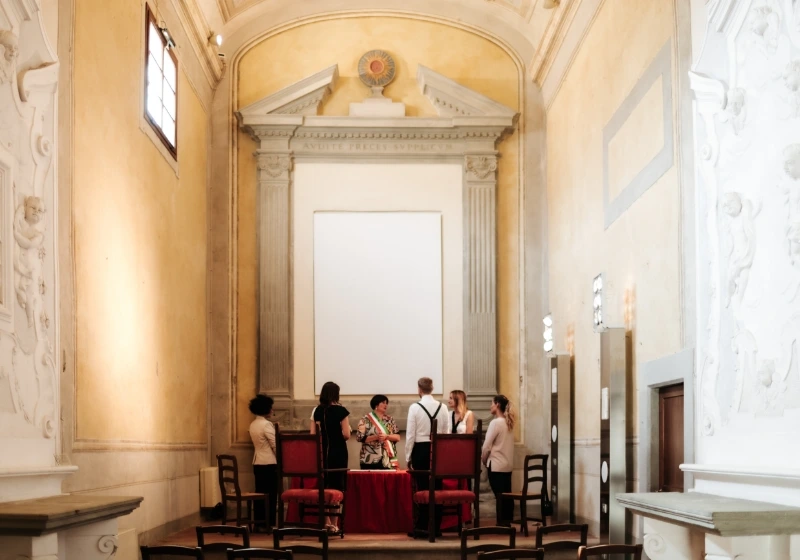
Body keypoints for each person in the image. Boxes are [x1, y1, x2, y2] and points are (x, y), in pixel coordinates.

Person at [406, 377, 451, 537]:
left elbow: (411, 434)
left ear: (419, 389)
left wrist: (408, 456)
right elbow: (445, 433)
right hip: (438, 448)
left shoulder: (415, 408)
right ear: (432, 388)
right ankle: (436, 527)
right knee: (437, 489)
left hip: (421, 449)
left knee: (422, 488)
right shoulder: (443, 407)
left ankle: (422, 526)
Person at [310, 381, 351, 533]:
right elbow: (346, 434)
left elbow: (312, 435)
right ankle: (335, 523)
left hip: (321, 452)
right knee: (337, 486)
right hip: (338, 452)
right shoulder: (341, 411)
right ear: (336, 394)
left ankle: (325, 522)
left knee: (324, 485)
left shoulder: (316, 411)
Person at [482, 394, 516, 526]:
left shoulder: (495, 423)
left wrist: (484, 460)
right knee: (506, 495)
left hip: (496, 465)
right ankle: (507, 522)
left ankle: (501, 524)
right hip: (507, 465)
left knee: (499, 496)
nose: (490, 406)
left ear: (497, 405)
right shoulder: (509, 422)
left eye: (491, 403)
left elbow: (486, 446)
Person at [248, 394, 277, 531]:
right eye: (271, 408)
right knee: (270, 495)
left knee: (259, 494)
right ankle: (269, 524)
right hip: (269, 463)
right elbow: (275, 445)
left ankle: (259, 523)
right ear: (265, 409)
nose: (272, 410)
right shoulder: (266, 424)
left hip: (257, 462)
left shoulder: (253, 424)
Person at [356, 394, 401, 469]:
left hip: (387, 459)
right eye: (383, 402)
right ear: (376, 404)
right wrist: (376, 437)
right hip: (370, 458)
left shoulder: (389, 419)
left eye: (386, 403)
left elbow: (398, 437)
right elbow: (359, 437)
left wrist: (386, 436)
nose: (385, 405)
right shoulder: (365, 419)